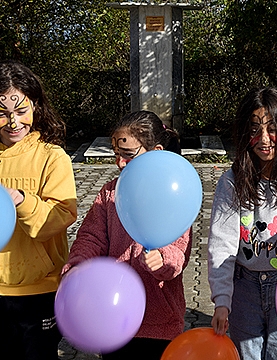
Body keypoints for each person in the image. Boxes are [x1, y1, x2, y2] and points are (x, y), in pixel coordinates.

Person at [0, 60, 77, 360]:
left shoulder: (52, 156)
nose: (13, 122)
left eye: (21, 111)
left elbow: (60, 217)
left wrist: (21, 200)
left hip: (42, 292)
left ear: (35, 106)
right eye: (1, 114)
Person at [62, 110, 191, 360]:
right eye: (116, 155)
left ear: (156, 152)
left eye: (128, 155)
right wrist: (78, 265)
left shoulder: (174, 193)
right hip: (113, 316)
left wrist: (163, 259)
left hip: (159, 322)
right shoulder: (110, 193)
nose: (120, 162)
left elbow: (181, 248)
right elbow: (91, 237)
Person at [208, 87, 277, 360]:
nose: (263, 139)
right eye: (254, 129)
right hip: (243, 288)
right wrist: (222, 301)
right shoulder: (231, 181)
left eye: (273, 129)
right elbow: (221, 243)